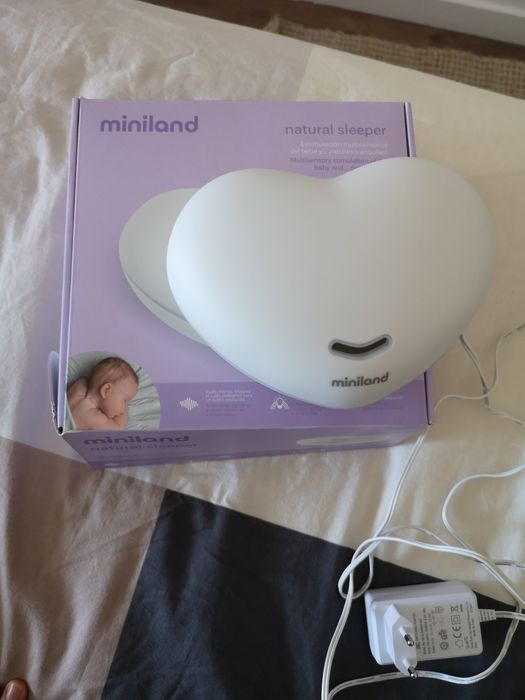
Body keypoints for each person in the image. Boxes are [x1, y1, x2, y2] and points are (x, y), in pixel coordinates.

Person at [67, 356, 139, 430]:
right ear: (106, 390)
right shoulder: (91, 417)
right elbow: (119, 429)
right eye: (125, 400)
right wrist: (123, 412)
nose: (125, 407)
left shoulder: (80, 383)